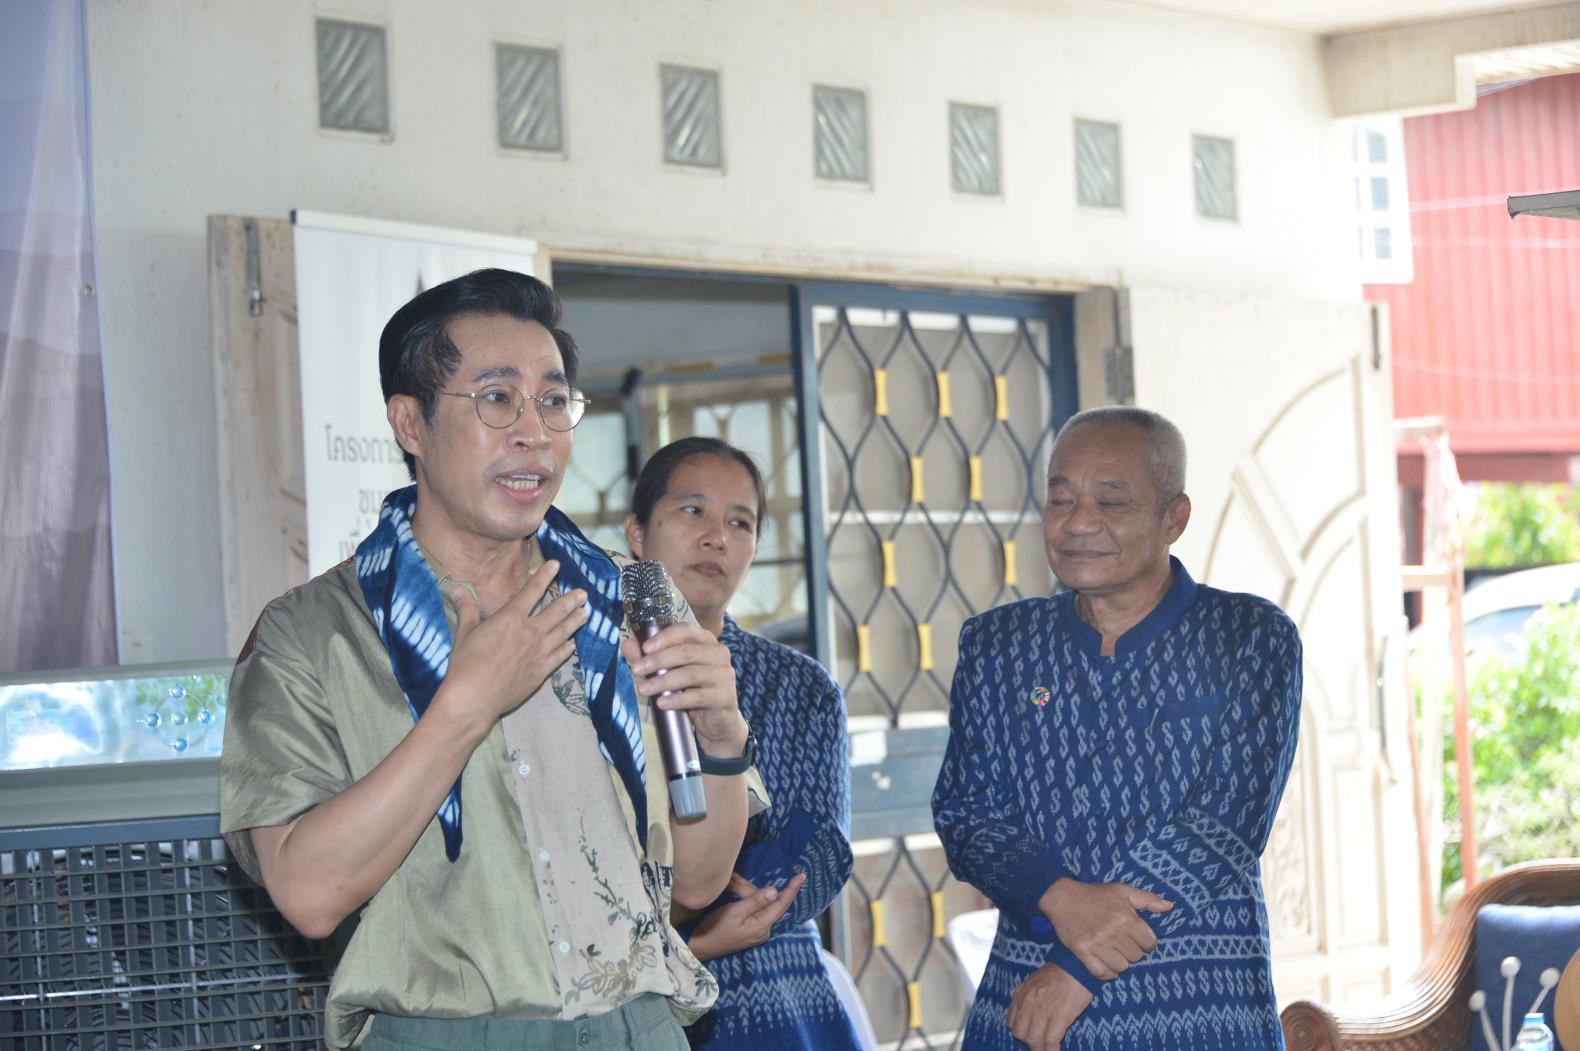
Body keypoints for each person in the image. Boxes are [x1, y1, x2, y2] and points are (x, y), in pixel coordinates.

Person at [219, 269, 762, 1051]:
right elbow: (308, 893)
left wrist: (720, 737)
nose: (534, 432)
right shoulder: (312, 633)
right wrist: (465, 705)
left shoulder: (633, 601)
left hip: (637, 1027)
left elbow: (700, 882)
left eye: (553, 400)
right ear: (410, 422)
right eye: (498, 398)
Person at [932, 406, 1303, 1051]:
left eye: (1111, 502)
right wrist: (1057, 895)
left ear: (1174, 519)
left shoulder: (1248, 637)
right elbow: (968, 813)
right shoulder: (997, 645)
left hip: (1199, 1014)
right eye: (1061, 500)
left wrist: (1076, 969)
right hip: (1026, 1013)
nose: (1078, 523)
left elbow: (1223, 824)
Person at [624, 436, 863, 1051]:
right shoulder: (591, 671)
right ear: (637, 532)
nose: (717, 538)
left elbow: (822, 849)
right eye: (692, 510)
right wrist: (694, 931)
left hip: (778, 989)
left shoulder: (801, 685)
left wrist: (714, 893)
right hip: (625, 997)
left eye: (740, 522)